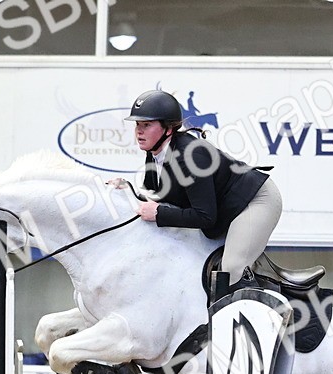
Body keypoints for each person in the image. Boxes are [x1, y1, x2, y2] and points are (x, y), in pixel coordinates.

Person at [110, 89, 281, 292]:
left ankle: (259, 320)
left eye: (146, 125)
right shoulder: (155, 153)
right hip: (229, 207)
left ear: (168, 129)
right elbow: (155, 198)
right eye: (137, 124)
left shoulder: (190, 156)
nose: (139, 131)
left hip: (257, 201)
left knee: (232, 269)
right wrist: (125, 191)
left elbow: (204, 217)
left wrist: (159, 213)